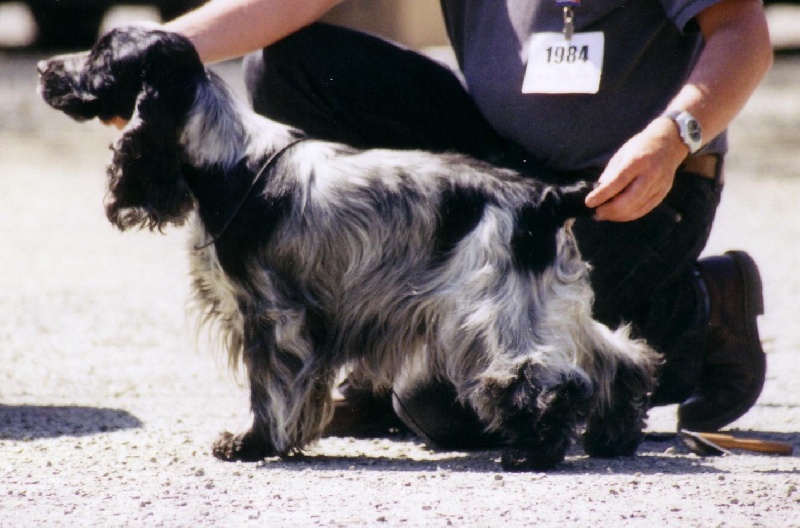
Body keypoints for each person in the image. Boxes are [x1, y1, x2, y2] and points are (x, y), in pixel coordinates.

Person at [157, 0, 772, 443]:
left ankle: (702, 311)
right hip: (496, 174)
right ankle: (371, 342)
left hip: (628, 190)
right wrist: (150, 54)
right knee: (292, 64)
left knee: (445, 408)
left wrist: (675, 137)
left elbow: (743, 31)